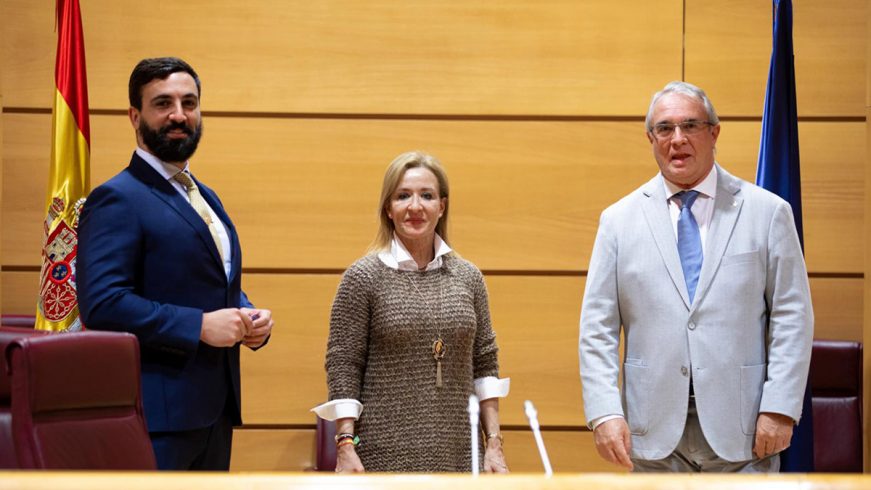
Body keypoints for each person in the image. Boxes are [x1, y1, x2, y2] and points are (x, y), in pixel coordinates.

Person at [579, 81, 813, 473]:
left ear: (714, 133)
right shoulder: (618, 221)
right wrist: (604, 412)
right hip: (650, 432)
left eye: (690, 126)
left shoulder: (767, 212)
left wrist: (780, 409)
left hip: (744, 429)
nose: (677, 139)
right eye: (664, 129)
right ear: (651, 139)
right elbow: (597, 328)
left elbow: (793, 317)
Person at [77, 57, 274, 471]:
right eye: (163, 103)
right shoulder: (117, 198)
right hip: (156, 420)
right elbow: (102, 304)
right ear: (135, 116)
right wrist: (199, 326)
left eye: (189, 102)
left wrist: (245, 313)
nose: (179, 115)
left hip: (214, 412)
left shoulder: (205, 196)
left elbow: (207, 280)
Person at [312, 151, 510, 473]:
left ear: (441, 206)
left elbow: (486, 365)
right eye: (403, 196)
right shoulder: (362, 278)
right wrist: (345, 446)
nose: (415, 206)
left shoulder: (469, 277)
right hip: (380, 460)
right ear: (388, 208)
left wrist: (494, 445)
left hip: (461, 457)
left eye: (427, 196)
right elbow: (343, 366)